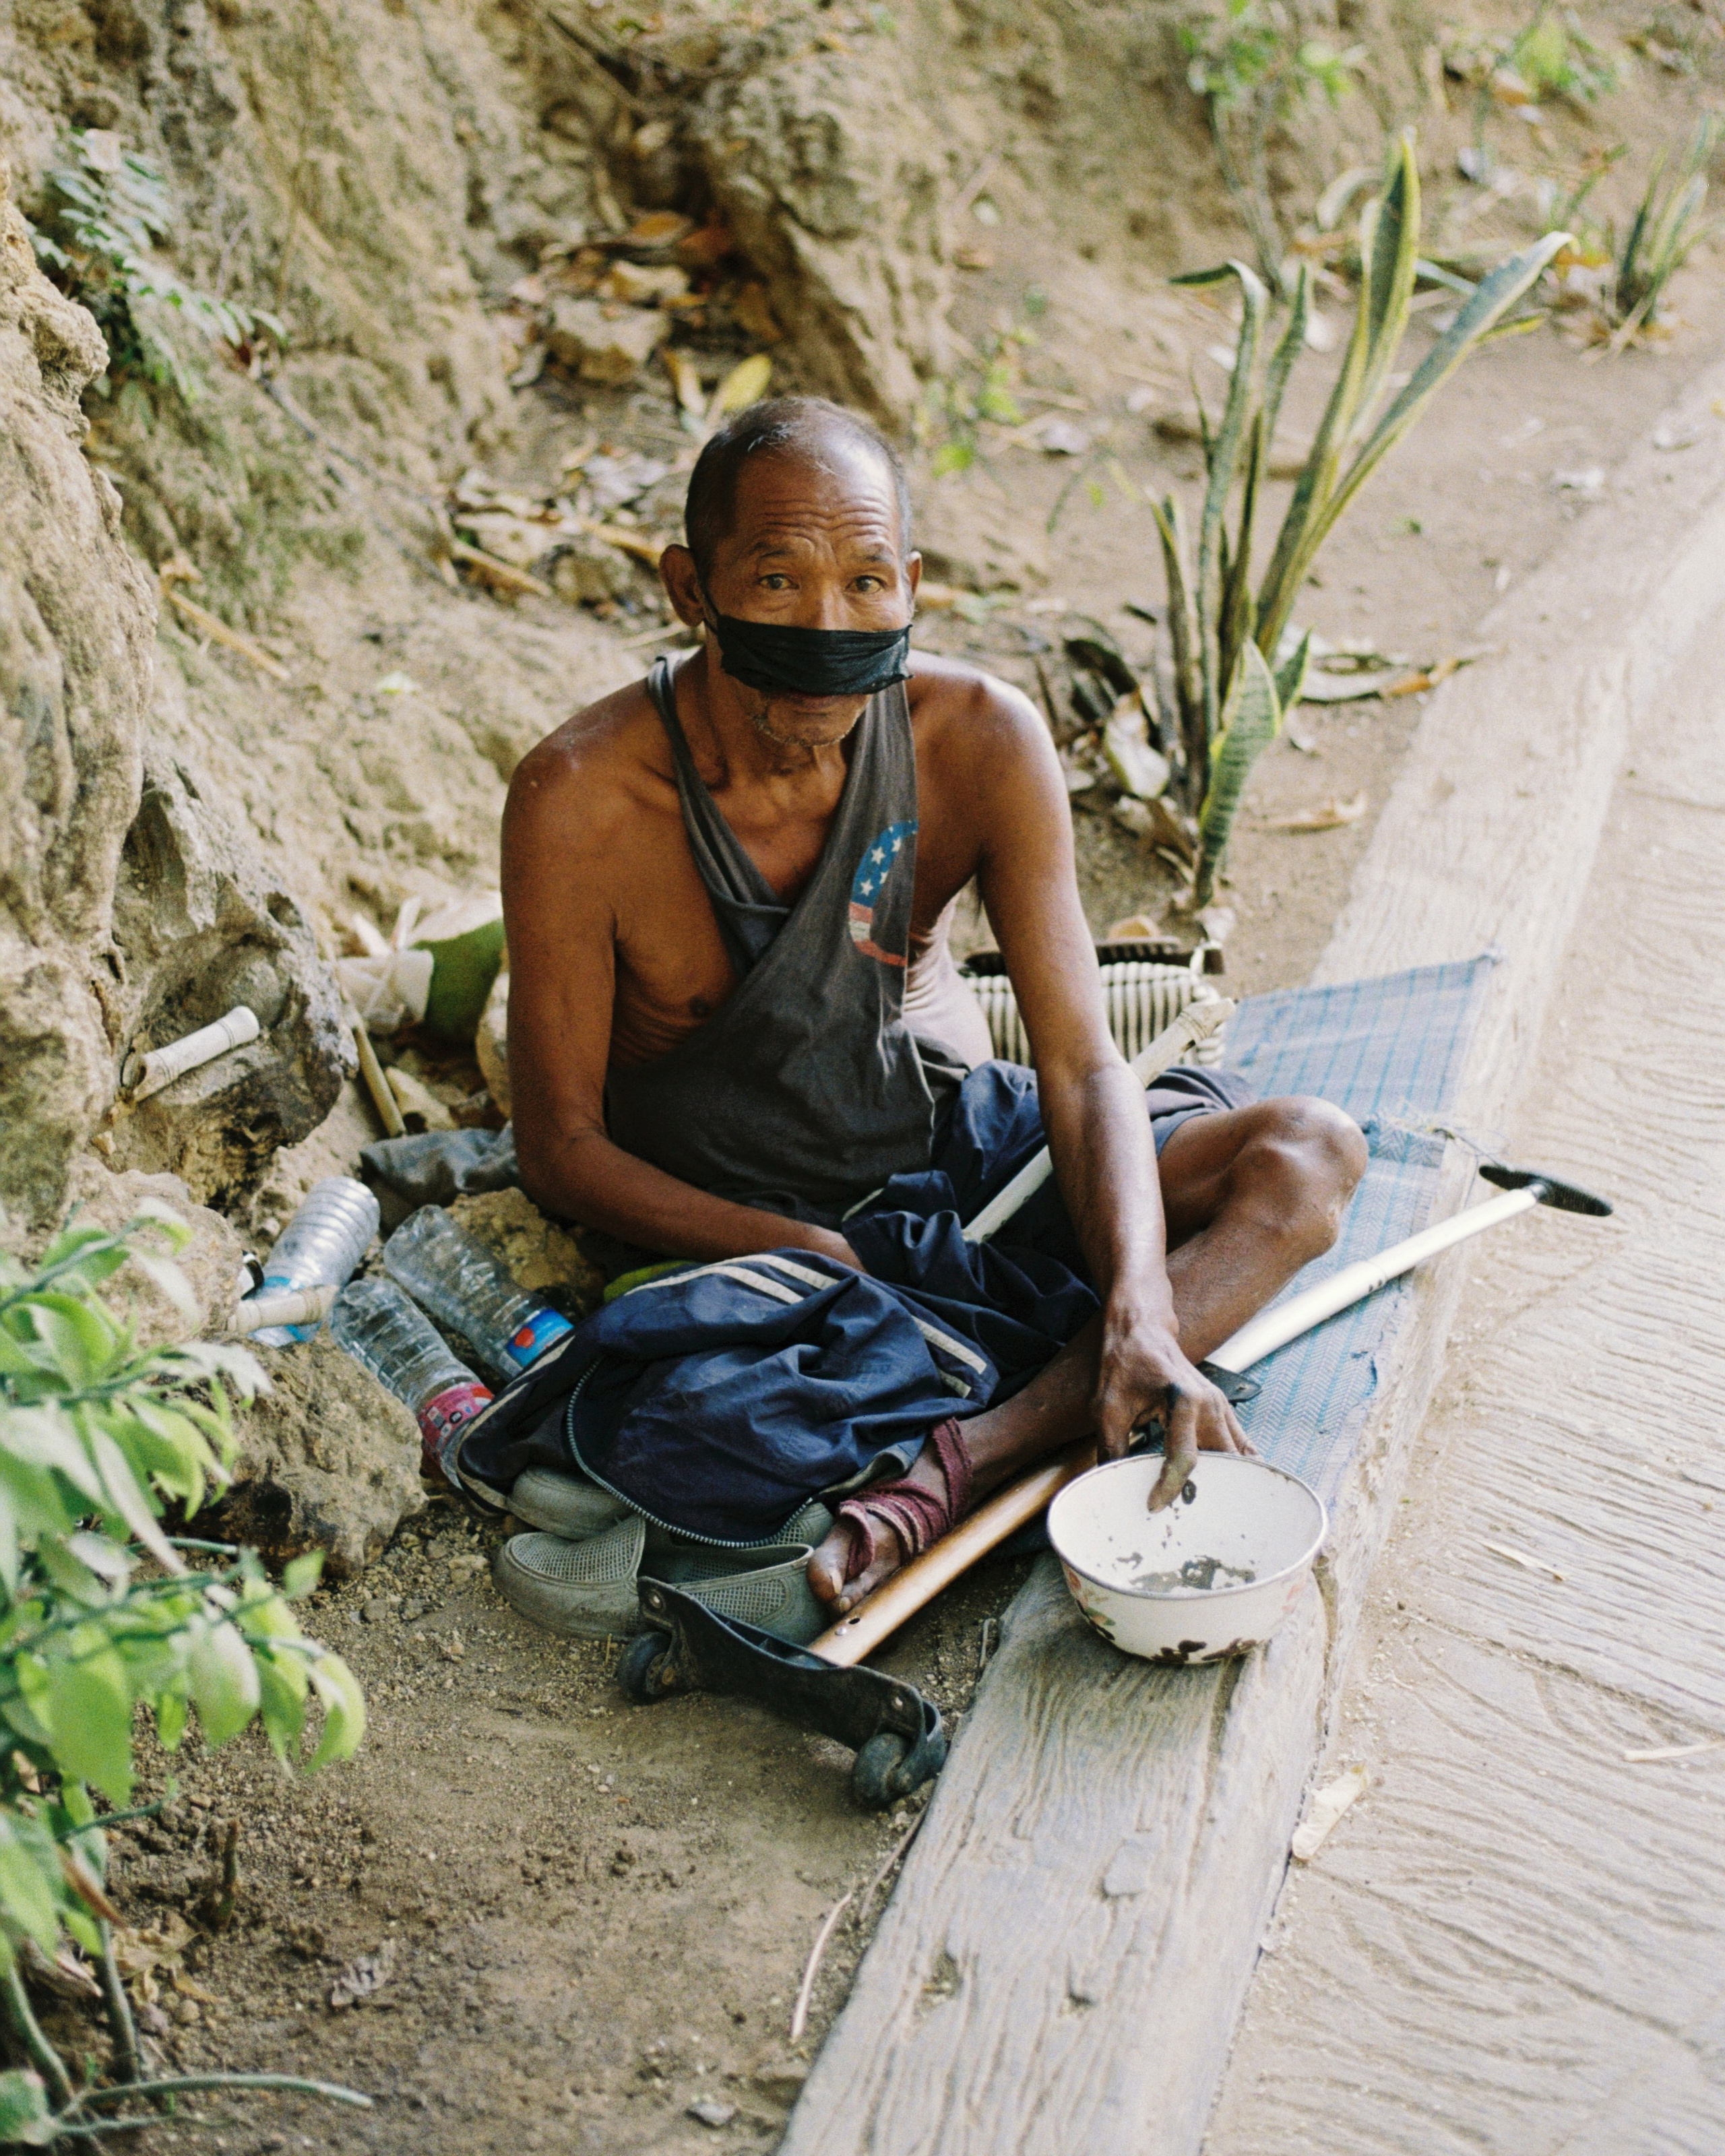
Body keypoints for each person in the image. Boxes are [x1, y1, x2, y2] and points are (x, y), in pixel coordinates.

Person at [498, 395, 1366, 1620]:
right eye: (778, 580)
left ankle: (973, 1455)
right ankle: (1063, 1395)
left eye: (865, 583)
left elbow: (1079, 1066)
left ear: (914, 585)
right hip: (778, 1230)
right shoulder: (580, 801)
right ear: (690, 588)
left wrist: (1134, 1300)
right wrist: (803, 1250)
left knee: (1309, 1154)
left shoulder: (979, 742)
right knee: (697, 1416)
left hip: (973, 1158)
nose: (827, 625)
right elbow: (561, 1149)